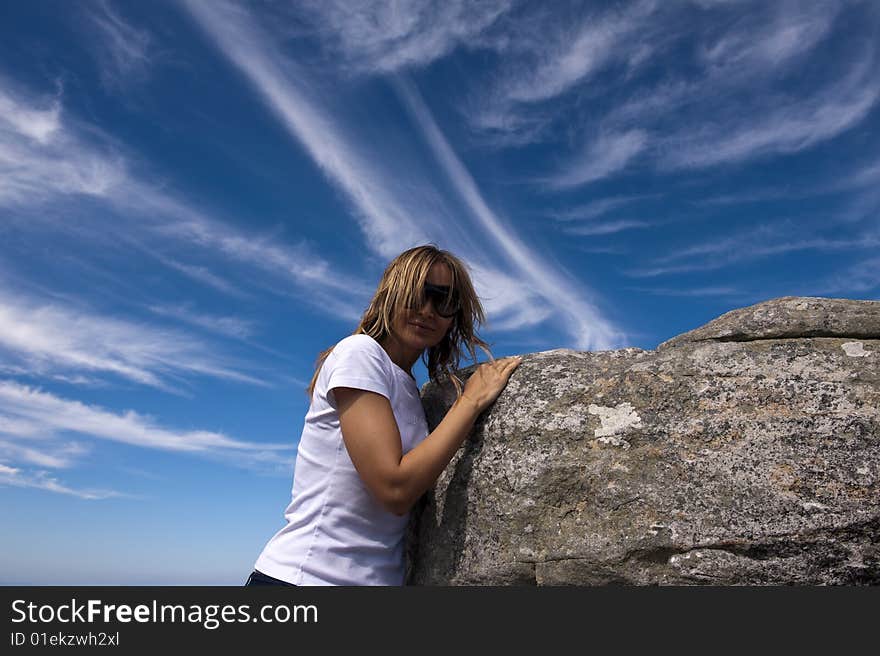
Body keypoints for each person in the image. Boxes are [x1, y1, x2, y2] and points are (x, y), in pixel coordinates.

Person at [245, 244, 521, 586]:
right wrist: (470, 402)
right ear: (390, 295)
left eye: (444, 300)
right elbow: (394, 488)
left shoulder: (407, 386)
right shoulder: (359, 354)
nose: (427, 309)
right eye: (416, 293)